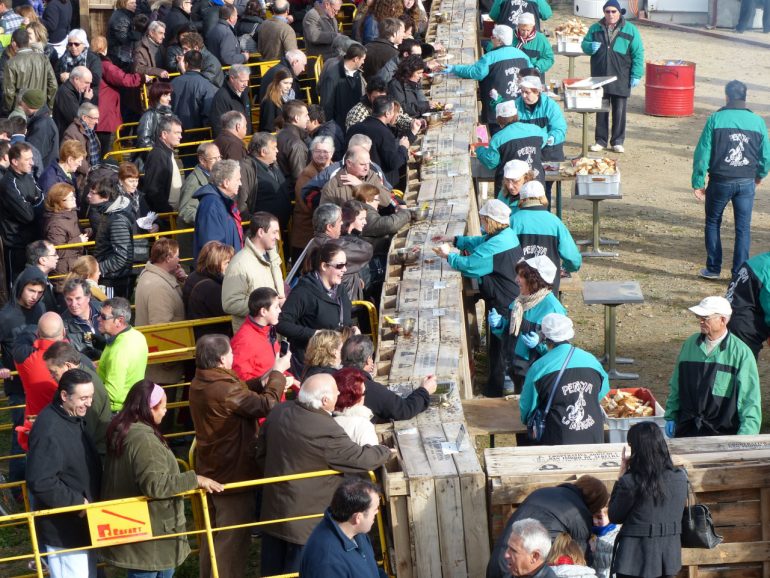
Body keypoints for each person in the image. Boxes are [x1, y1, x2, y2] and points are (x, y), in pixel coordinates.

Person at [257, 372, 392, 575]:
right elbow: (360, 459)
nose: (339, 394)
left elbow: (261, 453)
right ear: (325, 400)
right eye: (336, 392)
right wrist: (384, 450)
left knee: (273, 571)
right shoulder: (325, 428)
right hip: (305, 524)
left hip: (273, 514)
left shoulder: (279, 411)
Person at [101, 379, 224, 577]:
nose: (166, 411)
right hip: (152, 536)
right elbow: (156, 485)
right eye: (163, 406)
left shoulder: (124, 429)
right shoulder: (145, 440)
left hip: (140, 531)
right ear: (149, 408)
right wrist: (195, 479)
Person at [190, 333, 288, 578]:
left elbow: (237, 395)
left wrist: (260, 381)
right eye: (231, 353)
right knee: (232, 541)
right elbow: (267, 406)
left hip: (213, 465)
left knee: (214, 538)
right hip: (231, 473)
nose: (234, 355)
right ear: (223, 359)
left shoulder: (202, 380)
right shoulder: (224, 388)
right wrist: (277, 373)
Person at [434, 199, 523, 396]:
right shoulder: (505, 234)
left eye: (483, 219)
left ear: (490, 220)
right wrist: (456, 240)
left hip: (504, 301)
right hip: (507, 296)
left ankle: (494, 391)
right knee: (499, 346)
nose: (481, 222)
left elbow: (470, 264)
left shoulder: (497, 244)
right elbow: (480, 242)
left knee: (500, 349)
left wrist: (448, 256)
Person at [26, 368, 101, 578]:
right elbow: (41, 481)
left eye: (91, 397)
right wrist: (77, 502)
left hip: (81, 524)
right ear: (64, 396)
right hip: (65, 532)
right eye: (83, 398)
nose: (88, 403)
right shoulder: (49, 430)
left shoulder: (72, 417)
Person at [692, 79, 770, 280]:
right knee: (743, 228)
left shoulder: (715, 119)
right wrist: (759, 175)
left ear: (726, 96)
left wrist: (698, 182)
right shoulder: (758, 122)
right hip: (746, 182)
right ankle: (738, 273)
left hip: (720, 181)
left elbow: (703, 153)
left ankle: (713, 268)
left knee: (712, 222)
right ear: (745, 96)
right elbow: (765, 156)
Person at [664, 295, 761, 437]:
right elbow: (676, 384)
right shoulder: (690, 344)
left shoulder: (741, 353)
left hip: (722, 434)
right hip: (687, 429)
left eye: (705, 317)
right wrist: (671, 416)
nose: (701, 321)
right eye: (699, 317)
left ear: (722, 320)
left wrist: (746, 437)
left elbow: (749, 400)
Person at [608, 422, 688, 578]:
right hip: (669, 558)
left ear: (636, 450)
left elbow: (614, 516)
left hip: (633, 561)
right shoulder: (680, 477)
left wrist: (621, 476)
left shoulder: (630, 481)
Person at [488, 476, 609, 578]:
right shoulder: (580, 514)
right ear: (594, 504)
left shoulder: (542, 492)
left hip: (497, 561)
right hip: (523, 569)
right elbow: (580, 562)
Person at [520, 313, 609, 444]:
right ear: (569, 335)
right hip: (593, 436)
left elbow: (527, 408)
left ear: (544, 337)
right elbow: (602, 392)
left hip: (557, 438)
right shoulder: (592, 360)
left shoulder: (539, 368)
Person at [489, 257, 566, 393]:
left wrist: (540, 343)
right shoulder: (519, 302)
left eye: (522, 276)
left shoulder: (553, 309)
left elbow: (561, 350)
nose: (516, 280)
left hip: (538, 374)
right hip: (516, 368)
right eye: (517, 275)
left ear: (535, 280)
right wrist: (500, 324)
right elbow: (511, 333)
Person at [277, 241, 354, 372]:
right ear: (324, 266)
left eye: (345, 265)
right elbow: (281, 323)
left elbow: (344, 318)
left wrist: (352, 328)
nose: (345, 269)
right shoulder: (303, 291)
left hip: (338, 357)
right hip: (313, 363)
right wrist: (315, 334)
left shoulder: (340, 288)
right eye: (340, 266)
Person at [581, 0, 644, 153]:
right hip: (599, 76)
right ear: (604, 12)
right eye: (607, 11)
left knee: (619, 111)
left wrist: (636, 74)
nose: (610, 14)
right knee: (601, 110)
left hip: (621, 76)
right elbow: (584, 44)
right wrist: (589, 47)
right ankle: (600, 141)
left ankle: (617, 141)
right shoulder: (595, 28)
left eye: (613, 11)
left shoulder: (630, 30)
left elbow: (638, 53)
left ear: (619, 12)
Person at [445, 25, 531, 127]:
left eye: (492, 37)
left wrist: (455, 69)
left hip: (497, 111)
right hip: (519, 107)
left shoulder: (490, 57)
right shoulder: (523, 56)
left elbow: (476, 73)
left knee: (499, 137)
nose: (491, 40)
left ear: (499, 40)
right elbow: (532, 77)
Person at [341, 333, 436, 421]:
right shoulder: (368, 388)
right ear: (368, 360)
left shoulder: (333, 378)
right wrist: (424, 390)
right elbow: (404, 410)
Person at [299, 479, 383, 578]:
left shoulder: (357, 532)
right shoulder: (327, 563)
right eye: (375, 509)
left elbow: (373, 570)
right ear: (358, 518)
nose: (377, 512)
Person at [510, 180, 581, 294]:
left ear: (521, 199)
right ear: (542, 198)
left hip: (518, 286)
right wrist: (565, 268)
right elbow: (573, 259)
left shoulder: (513, 221)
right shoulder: (555, 222)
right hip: (548, 286)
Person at [43, 340, 112, 457]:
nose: (52, 376)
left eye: (54, 372)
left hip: (91, 455)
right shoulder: (75, 380)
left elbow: (84, 431)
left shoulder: (88, 389)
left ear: (68, 366)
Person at [134, 237, 186, 384]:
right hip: (162, 370)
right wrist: (168, 361)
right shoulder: (159, 287)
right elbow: (160, 326)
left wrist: (181, 280)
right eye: (177, 256)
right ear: (168, 258)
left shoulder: (152, 276)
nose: (179, 259)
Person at [221, 212, 285, 332]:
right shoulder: (239, 264)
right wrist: (267, 306)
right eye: (274, 232)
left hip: (271, 334)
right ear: (261, 232)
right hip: (253, 335)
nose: (278, 237)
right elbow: (230, 303)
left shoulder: (273, 258)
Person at [90, 35, 146, 153]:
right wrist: (141, 77)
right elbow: (123, 79)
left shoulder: (89, 62)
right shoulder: (105, 65)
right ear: (104, 49)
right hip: (105, 113)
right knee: (106, 149)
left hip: (95, 109)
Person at [347, 95, 419, 188]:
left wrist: (411, 134)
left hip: (354, 180)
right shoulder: (383, 133)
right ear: (387, 113)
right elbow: (394, 162)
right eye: (393, 111)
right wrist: (403, 148)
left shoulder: (354, 128)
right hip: (382, 185)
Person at [477, 99, 547, 193]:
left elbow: (491, 162)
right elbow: (543, 142)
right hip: (536, 181)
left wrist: (479, 149)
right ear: (516, 115)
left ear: (499, 120)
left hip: (510, 186)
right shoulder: (536, 130)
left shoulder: (498, 138)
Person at [515, 76, 566, 202]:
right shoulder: (516, 105)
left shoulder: (550, 106)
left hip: (548, 152)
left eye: (527, 92)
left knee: (543, 188)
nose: (524, 96)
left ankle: (544, 211)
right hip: (524, 151)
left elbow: (560, 129)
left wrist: (549, 139)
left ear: (537, 92)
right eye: (522, 92)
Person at [231, 286, 294, 386]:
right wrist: (274, 382)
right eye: (276, 307)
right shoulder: (244, 340)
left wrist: (292, 380)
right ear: (263, 311)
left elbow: (274, 367)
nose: (280, 311)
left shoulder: (268, 331)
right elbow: (242, 381)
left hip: (273, 395)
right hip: (262, 399)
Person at [97, 297, 149, 411]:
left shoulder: (118, 351)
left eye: (103, 317)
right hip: (132, 405)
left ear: (119, 321)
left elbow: (112, 394)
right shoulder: (137, 335)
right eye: (99, 314)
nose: (98, 319)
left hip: (115, 411)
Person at [292, 135, 335, 259]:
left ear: (332, 153)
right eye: (318, 151)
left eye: (325, 151)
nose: (322, 155)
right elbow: (307, 206)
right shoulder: (307, 175)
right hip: (307, 235)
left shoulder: (336, 170)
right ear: (312, 153)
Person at [192, 158, 244, 259]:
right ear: (226, 182)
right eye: (237, 179)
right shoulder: (212, 205)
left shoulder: (221, 202)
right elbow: (213, 249)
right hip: (220, 271)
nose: (240, 183)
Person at [183, 240, 234, 338]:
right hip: (214, 340)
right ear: (215, 263)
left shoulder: (194, 276)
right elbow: (228, 313)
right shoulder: (211, 288)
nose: (231, 266)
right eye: (227, 263)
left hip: (200, 336)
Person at [242, 132, 293, 227]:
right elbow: (242, 203)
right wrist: (255, 224)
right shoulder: (246, 169)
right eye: (274, 148)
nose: (277, 151)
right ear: (263, 151)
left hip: (281, 227)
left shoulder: (273, 164)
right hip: (263, 231)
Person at [3, 28, 58, 115]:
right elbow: (53, 85)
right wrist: (49, 107)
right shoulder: (43, 58)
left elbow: (9, 92)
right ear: (28, 41)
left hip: (22, 110)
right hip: (40, 107)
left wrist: (9, 111)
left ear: (14, 43)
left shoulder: (11, 63)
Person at [726, 251, 770, 359]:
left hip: (728, 317)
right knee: (742, 372)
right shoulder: (766, 271)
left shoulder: (760, 260)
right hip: (743, 330)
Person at [320, 146, 391, 208]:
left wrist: (362, 185)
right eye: (362, 164)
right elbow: (326, 216)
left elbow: (386, 201)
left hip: (371, 222)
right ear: (349, 163)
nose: (367, 168)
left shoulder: (371, 176)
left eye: (368, 164)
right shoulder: (332, 186)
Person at [319, 42, 367, 130]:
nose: (363, 62)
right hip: (339, 126)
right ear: (356, 59)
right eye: (362, 59)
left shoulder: (358, 74)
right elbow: (326, 105)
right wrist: (330, 128)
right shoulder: (332, 76)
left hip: (355, 124)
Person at [143, 115, 184, 214]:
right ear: (164, 134)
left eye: (180, 133)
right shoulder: (158, 155)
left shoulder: (166, 152)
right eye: (177, 133)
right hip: (166, 216)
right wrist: (167, 212)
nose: (180, 136)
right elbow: (154, 190)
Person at [12, 88, 60, 173]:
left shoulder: (42, 126)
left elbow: (34, 156)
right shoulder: (42, 119)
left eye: (22, 103)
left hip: (41, 173)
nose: (21, 106)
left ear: (29, 106)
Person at [43, 182, 86, 275]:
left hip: (74, 265)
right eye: (70, 198)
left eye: (73, 196)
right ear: (59, 201)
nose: (74, 199)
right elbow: (57, 251)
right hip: (64, 271)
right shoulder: (55, 223)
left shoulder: (71, 213)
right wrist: (79, 241)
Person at [170, 49, 217, 129]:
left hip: (175, 131)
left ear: (186, 64)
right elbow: (208, 112)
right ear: (201, 64)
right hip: (197, 133)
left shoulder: (174, 82)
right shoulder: (206, 84)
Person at [178, 142, 221, 229]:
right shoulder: (193, 181)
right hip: (198, 235)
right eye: (214, 159)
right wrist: (210, 220)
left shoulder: (212, 175)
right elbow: (185, 212)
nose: (218, 162)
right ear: (202, 160)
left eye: (219, 157)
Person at [60, 277, 104, 360]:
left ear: (88, 297)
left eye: (78, 298)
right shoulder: (62, 325)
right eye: (69, 299)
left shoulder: (104, 310)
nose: (73, 304)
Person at [332, 366, 378, 445]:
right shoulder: (363, 427)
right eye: (364, 392)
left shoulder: (326, 421)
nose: (364, 396)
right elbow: (373, 456)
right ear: (356, 398)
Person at [56, 29, 102, 105]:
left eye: (76, 44)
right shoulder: (64, 57)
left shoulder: (92, 58)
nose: (73, 47)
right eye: (70, 44)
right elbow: (55, 74)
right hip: (68, 98)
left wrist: (73, 77)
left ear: (84, 44)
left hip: (87, 98)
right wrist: (60, 76)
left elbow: (96, 78)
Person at [61, 102, 100, 191]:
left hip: (91, 174)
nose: (97, 122)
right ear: (84, 118)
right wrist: (89, 170)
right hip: (80, 179)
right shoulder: (72, 133)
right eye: (95, 118)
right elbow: (71, 156)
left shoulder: (89, 130)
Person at [277, 99, 310, 195]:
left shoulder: (279, 135)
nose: (308, 118)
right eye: (306, 115)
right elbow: (299, 178)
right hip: (291, 194)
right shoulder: (296, 144)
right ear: (297, 118)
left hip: (282, 190)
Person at [209, 64, 252, 138]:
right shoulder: (221, 97)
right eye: (242, 81)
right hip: (231, 143)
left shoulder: (244, 92)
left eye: (247, 81)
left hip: (245, 139)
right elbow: (218, 126)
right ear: (232, 78)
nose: (245, 84)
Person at [52, 65, 93, 137]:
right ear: (76, 79)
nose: (88, 86)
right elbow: (77, 118)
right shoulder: (65, 93)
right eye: (86, 82)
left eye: (90, 83)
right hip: (66, 138)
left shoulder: (75, 91)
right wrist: (87, 99)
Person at [361, 17, 403, 82]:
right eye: (401, 32)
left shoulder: (365, 48)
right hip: (384, 89)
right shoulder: (395, 54)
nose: (403, 34)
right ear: (394, 34)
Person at [136, 81, 174, 150]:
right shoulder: (149, 115)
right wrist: (158, 151)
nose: (169, 99)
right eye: (165, 95)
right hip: (154, 157)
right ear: (156, 97)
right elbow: (143, 141)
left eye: (169, 95)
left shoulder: (169, 113)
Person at [108, 0, 142, 71]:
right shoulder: (121, 17)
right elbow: (123, 37)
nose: (135, 5)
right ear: (124, 4)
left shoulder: (126, 15)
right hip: (120, 56)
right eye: (132, 3)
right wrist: (138, 34)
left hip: (122, 55)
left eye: (135, 2)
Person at [259, 68, 295, 133]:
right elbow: (268, 126)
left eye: (290, 83)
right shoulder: (269, 101)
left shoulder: (291, 98)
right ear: (277, 82)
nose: (288, 86)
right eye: (285, 83)